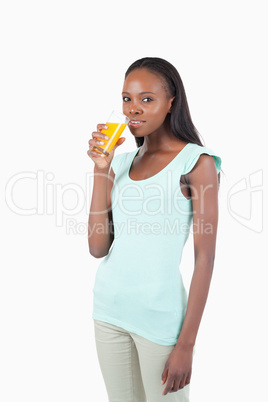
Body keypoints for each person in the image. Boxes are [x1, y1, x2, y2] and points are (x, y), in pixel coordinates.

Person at [87, 57, 222, 402]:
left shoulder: (197, 163)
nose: (134, 109)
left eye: (147, 99)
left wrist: (187, 345)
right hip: (109, 313)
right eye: (127, 99)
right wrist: (101, 170)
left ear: (171, 102)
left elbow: (204, 259)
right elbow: (98, 247)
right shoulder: (118, 162)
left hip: (160, 322)